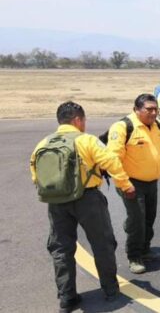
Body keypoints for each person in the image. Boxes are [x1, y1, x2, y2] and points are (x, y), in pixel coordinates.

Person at [31, 101, 135, 312]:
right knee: (102, 244)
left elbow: (36, 175)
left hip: (56, 203)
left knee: (61, 248)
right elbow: (112, 162)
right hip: (87, 200)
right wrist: (126, 185)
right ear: (78, 120)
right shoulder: (86, 140)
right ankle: (111, 290)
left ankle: (67, 297)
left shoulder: (43, 143)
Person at [107, 94, 160, 274]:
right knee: (137, 221)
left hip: (151, 182)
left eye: (155, 109)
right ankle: (134, 256)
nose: (154, 113)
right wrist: (124, 184)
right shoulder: (123, 127)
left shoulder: (157, 124)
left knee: (149, 218)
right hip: (131, 183)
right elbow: (112, 159)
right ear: (136, 110)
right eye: (149, 109)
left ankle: (145, 250)